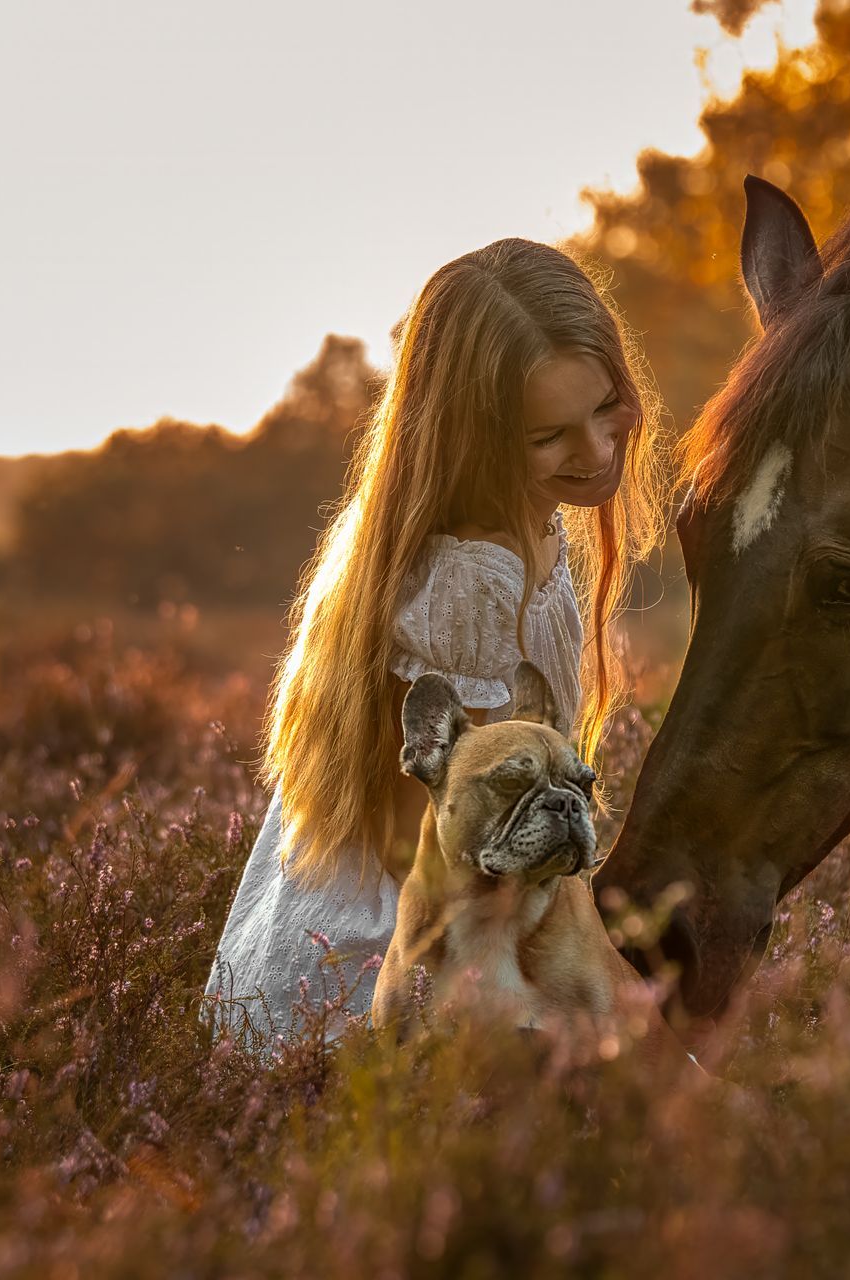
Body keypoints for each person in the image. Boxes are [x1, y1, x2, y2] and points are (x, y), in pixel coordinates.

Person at [203, 239, 664, 1048]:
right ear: (476, 440)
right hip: (391, 968)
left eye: (604, 408)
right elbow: (464, 856)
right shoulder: (470, 579)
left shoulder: (517, 524)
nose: (595, 451)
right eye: (549, 434)